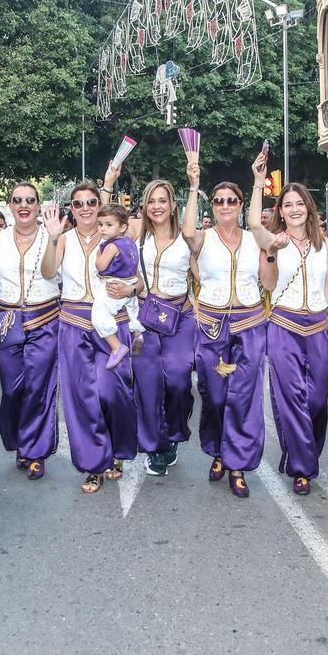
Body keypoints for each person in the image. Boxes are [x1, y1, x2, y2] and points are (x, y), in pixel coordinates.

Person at [248, 156, 328, 495]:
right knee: (291, 398)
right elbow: (270, 285)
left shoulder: (324, 245)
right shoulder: (273, 241)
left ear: (308, 207)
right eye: (287, 205)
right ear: (281, 211)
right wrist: (258, 182)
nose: (293, 209)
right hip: (284, 325)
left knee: (317, 400)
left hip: (317, 327)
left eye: (298, 203)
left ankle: (302, 453)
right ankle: (302, 468)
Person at [103, 167, 196, 477]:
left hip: (180, 317)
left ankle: (175, 429)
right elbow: (100, 226)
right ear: (144, 205)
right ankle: (156, 446)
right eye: (151, 201)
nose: (157, 206)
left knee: (179, 379)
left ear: (172, 204)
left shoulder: (186, 236)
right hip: (143, 318)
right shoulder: (134, 233)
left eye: (163, 200)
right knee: (147, 385)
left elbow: (201, 276)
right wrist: (108, 184)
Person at [183, 159, 266, 498]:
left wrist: (259, 180)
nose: (225, 205)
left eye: (232, 200)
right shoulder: (202, 237)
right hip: (212, 326)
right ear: (212, 206)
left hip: (249, 323)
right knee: (215, 395)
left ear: (241, 204)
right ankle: (217, 449)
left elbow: (267, 271)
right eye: (219, 201)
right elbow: (186, 231)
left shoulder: (253, 238)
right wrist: (193, 185)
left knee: (243, 398)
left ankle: (236, 464)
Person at [49, 182, 138, 493]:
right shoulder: (64, 239)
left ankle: (118, 448)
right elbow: (49, 271)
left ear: (101, 204)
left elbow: (141, 275)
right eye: (78, 203)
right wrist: (51, 237)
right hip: (73, 321)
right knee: (81, 398)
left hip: (112, 321)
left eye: (91, 202)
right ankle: (95, 464)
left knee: (111, 391)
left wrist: (133, 289)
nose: (85, 208)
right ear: (71, 209)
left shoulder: (120, 235)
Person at [0, 181, 61, 479]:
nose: (24, 205)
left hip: (44, 320)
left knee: (39, 389)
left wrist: (55, 239)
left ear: (39, 205)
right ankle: (19, 439)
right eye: (18, 200)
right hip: (6, 323)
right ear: (10, 205)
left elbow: (54, 271)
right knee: (12, 387)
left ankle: (35, 451)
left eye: (30, 199)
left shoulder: (53, 236)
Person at [92, 203, 143, 368]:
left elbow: (100, 266)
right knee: (132, 310)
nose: (103, 229)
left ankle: (116, 346)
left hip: (113, 284)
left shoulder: (111, 246)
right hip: (130, 282)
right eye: (100, 225)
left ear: (123, 227)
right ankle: (137, 333)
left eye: (108, 225)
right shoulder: (130, 243)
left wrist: (98, 253)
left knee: (99, 315)